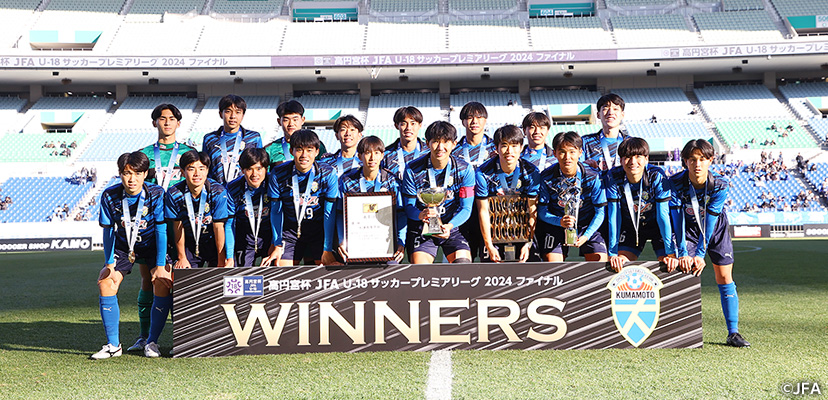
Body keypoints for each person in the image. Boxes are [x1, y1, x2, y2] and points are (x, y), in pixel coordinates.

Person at [669, 139, 750, 348]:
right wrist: (683, 252)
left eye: (703, 159)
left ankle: (733, 333)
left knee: (724, 277)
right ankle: (679, 331)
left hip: (716, 230)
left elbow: (711, 222)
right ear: (685, 161)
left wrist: (700, 254)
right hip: (688, 229)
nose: (698, 164)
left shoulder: (720, 184)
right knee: (683, 269)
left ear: (711, 160)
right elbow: (677, 220)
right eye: (692, 159)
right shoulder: (675, 182)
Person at [91, 152, 166, 360]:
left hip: (152, 244)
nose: (132, 179)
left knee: (162, 282)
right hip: (124, 246)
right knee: (106, 282)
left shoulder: (156, 193)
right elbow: (108, 231)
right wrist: (109, 264)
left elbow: (161, 230)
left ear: (145, 174)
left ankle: (151, 342)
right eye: (126, 173)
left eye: (137, 173)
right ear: (120, 174)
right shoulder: (109, 195)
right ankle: (113, 345)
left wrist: (160, 265)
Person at [402, 121, 475, 264]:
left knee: (463, 265)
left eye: (446, 142)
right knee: (420, 271)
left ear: (454, 144)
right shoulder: (412, 169)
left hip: (453, 227)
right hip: (422, 228)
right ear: (427, 143)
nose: (440, 147)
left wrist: (450, 226)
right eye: (435, 141)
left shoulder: (465, 169)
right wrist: (420, 214)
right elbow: (409, 207)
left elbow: (466, 208)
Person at [263, 130, 338, 266]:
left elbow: (329, 213)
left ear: (317, 152)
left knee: (327, 270)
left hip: (319, 231)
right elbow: (276, 212)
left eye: (309, 150)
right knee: (280, 269)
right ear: (291, 151)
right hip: (290, 232)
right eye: (299, 150)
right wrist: (277, 244)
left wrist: (327, 248)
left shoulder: (328, 173)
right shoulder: (278, 173)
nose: (304, 155)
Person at [605, 138, 678, 272]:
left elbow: (663, 215)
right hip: (631, 227)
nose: (633, 162)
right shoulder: (614, 176)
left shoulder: (656, 175)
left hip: (657, 226)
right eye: (627, 157)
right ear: (620, 160)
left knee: (669, 263)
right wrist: (613, 252)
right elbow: (614, 216)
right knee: (620, 264)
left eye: (638, 156)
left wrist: (670, 252)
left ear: (646, 159)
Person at [537, 131, 607, 262]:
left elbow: (600, 212)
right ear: (555, 153)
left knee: (600, 263)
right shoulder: (546, 177)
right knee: (552, 265)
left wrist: (587, 235)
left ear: (580, 152)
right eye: (562, 152)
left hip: (587, 225)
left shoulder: (593, 176)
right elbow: (541, 212)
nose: (567, 157)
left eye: (572, 152)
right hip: (557, 225)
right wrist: (559, 221)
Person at [335, 136, 406, 263]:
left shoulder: (391, 181)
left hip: (386, 245)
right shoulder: (347, 180)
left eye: (377, 153)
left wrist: (401, 242)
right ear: (359, 156)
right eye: (368, 153)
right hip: (357, 244)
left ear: (382, 155)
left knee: (391, 270)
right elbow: (340, 213)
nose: (372, 158)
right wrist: (342, 240)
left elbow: (400, 213)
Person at [475, 125, 540, 262]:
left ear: (521, 148)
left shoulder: (531, 172)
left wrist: (528, 243)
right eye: (504, 146)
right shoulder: (483, 173)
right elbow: (483, 211)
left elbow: (532, 209)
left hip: (523, 230)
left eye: (514, 146)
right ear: (496, 148)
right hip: (493, 230)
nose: (509, 151)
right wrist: (489, 245)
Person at [453, 101, 495, 261]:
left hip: (489, 211)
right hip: (463, 211)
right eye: (470, 117)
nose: (474, 121)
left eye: (479, 117)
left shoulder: (496, 148)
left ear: (486, 120)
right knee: (464, 260)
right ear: (463, 121)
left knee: (490, 260)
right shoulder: (454, 151)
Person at [201, 94, 263, 185]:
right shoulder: (209, 139)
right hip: (217, 190)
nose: (233, 116)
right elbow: (204, 167)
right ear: (220, 114)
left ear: (243, 115)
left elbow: (261, 167)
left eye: (238, 112)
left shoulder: (254, 138)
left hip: (245, 190)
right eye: (228, 111)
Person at [226, 148, 272, 267]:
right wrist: (229, 256)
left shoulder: (273, 183)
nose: (254, 174)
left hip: (270, 235)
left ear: (266, 169)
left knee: (278, 266)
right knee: (242, 273)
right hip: (245, 236)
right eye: (249, 169)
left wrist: (277, 244)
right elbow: (229, 223)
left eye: (259, 169)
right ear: (242, 170)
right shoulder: (232, 189)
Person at [139, 104, 195, 191]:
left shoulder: (189, 152)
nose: (167, 123)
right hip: (154, 199)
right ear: (154, 123)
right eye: (162, 119)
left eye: (172, 119)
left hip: (181, 199)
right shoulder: (143, 154)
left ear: (178, 123)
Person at [266, 100, 327, 167]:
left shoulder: (316, 145)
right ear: (279, 122)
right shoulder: (270, 149)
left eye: (295, 119)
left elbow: (324, 169)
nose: (291, 124)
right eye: (286, 120)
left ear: (303, 120)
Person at [581, 93, 629, 172]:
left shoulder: (630, 143)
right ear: (598, 115)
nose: (610, 113)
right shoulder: (585, 142)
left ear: (622, 114)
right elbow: (577, 168)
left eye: (615, 109)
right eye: (605, 108)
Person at [382, 106, 427, 180]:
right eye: (403, 124)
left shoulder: (428, 152)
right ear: (397, 126)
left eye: (413, 123)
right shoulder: (386, 154)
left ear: (420, 125)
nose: (408, 128)